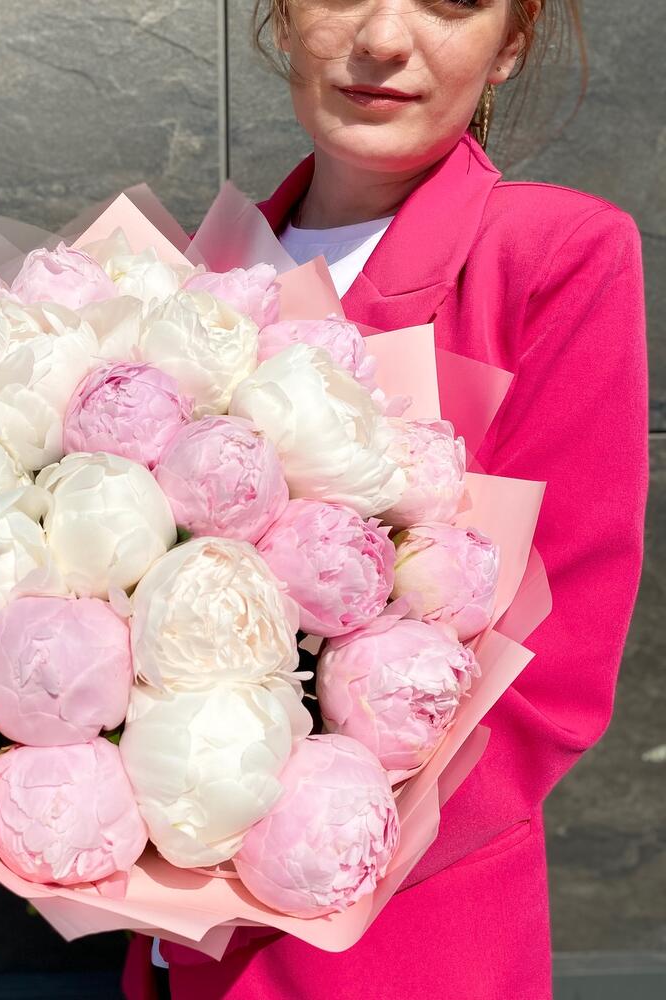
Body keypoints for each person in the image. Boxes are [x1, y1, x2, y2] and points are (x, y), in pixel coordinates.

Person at [121, 1, 649, 998]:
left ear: (510, 43)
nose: (382, 38)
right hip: (171, 952)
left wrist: (281, 853)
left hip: (396, 945)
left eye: (449, 1)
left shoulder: (549, 256)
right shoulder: (201, 277)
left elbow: (554, 676)